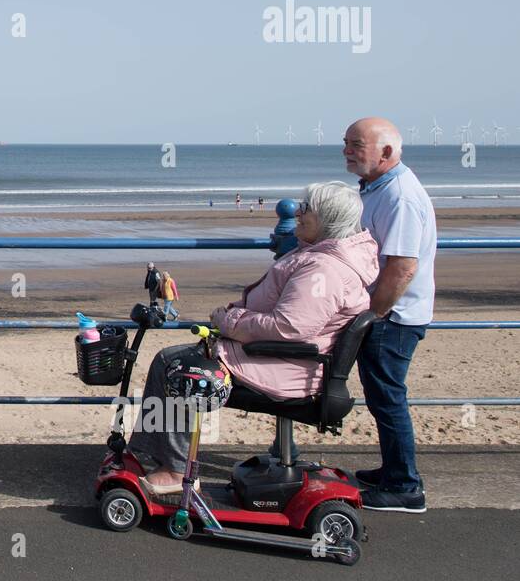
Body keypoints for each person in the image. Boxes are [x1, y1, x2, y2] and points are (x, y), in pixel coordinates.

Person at [129, 182, 378, 495]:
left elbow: (289, 327)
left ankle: (176, 470)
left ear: (327, 219)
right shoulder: (326, 256)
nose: (298, 213)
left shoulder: (322, 270)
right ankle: (160, 457)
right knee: (174, 358)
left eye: (306, 209)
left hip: (285, 367)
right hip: (285, 361)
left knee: (175, 367)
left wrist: (229, 321)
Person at [344, 117, 436, 513]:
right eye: (345, 144)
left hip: (394, 318)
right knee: (383, 397)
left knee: (388, 398)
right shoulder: (377, 186)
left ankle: (405, 486)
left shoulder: (399, 195)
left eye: (355, 145)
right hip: (389, 314)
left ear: (386, 152)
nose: (346, 151)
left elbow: (401, 267)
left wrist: (370, 316)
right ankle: (392, 471)